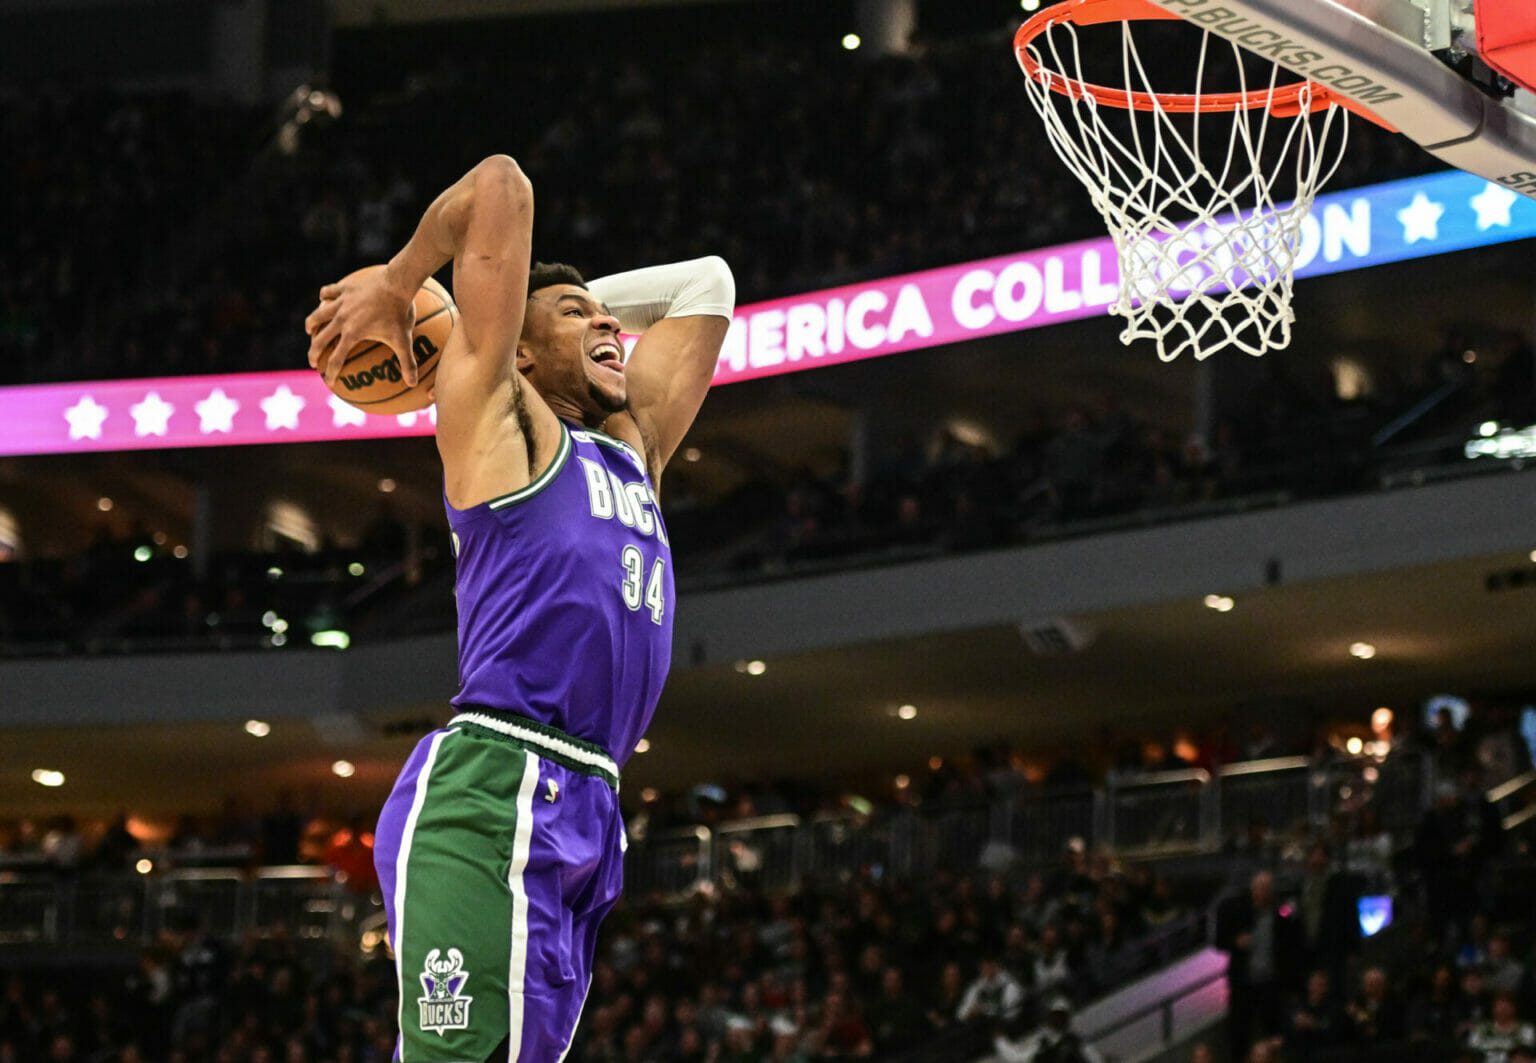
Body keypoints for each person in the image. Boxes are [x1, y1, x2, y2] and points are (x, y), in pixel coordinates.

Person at [305, 154, 734, 1061]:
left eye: (609, 318)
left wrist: (567, 310)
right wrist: (409, 286)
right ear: (521, 354)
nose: (611, 324)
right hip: (493, 787)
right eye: (579, 316)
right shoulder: (499, 422)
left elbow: (707, 284)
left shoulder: (633, 447)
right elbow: (502, 185)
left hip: (587, 802)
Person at [1216, 871, 1303, 1060]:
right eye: (1258, 888)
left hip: (1271, 983)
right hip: (1243, 984)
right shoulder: (1238, 912)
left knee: (1273, 1033)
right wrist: (1235, 942)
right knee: (1239, 1034)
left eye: (1266, 889)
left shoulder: (1280, 917)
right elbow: (1219, 940)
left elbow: (1291, 949)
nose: (1262, 893)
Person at [992, 995, 1104, 1063]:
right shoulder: (1041, 1042)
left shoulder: (1075, 1041)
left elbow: (1095, 1059)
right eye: (1054, 1016)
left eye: (1060, 1016)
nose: (1057, 1020)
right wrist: (1001, 1042)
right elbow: (1019, 1058)